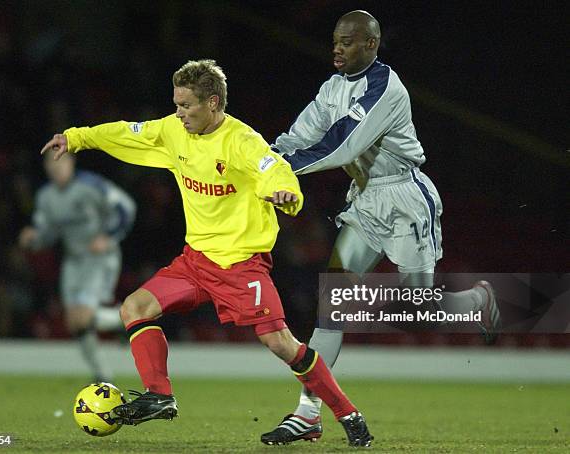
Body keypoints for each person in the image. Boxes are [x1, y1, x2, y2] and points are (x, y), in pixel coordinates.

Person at [40, 59, 374, 447]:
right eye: (177, 104)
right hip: (195, 261)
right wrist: (76, 137)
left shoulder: (242, 141)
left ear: (213, 103)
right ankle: (160, 397)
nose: (179, 113)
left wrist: (288, 195)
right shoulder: (173, 131)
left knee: (280, 343)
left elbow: (276, 170)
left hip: (240, 264)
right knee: (135, 307)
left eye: (186, 106)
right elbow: (126, 133)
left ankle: (348, 414)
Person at [261, 10, 501, 444]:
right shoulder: (332, 88)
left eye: (348, 41)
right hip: (366, 199)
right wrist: (264, 162)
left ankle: (475, 301)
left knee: (419, 311)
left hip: (405, 198)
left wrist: (279, 172)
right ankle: (307, 413)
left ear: (371, 45)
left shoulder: (385, 86)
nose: (337, 47)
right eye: (335, 39)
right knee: (331, 305)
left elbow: (342, 145)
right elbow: (299, 136)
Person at [19, 151, 136, 381]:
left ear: (71, 162)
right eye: (50, 163)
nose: (56, 167)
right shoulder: (46, 197)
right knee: (75, 324)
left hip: (99, 259)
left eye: (60, 161)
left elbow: (126, 207)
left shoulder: (91, 185)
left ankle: (126, 319)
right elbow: (47, 234)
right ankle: (103, 375)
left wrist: (109, 236)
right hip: (73, 262)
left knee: (81, 316)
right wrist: (33, 238)